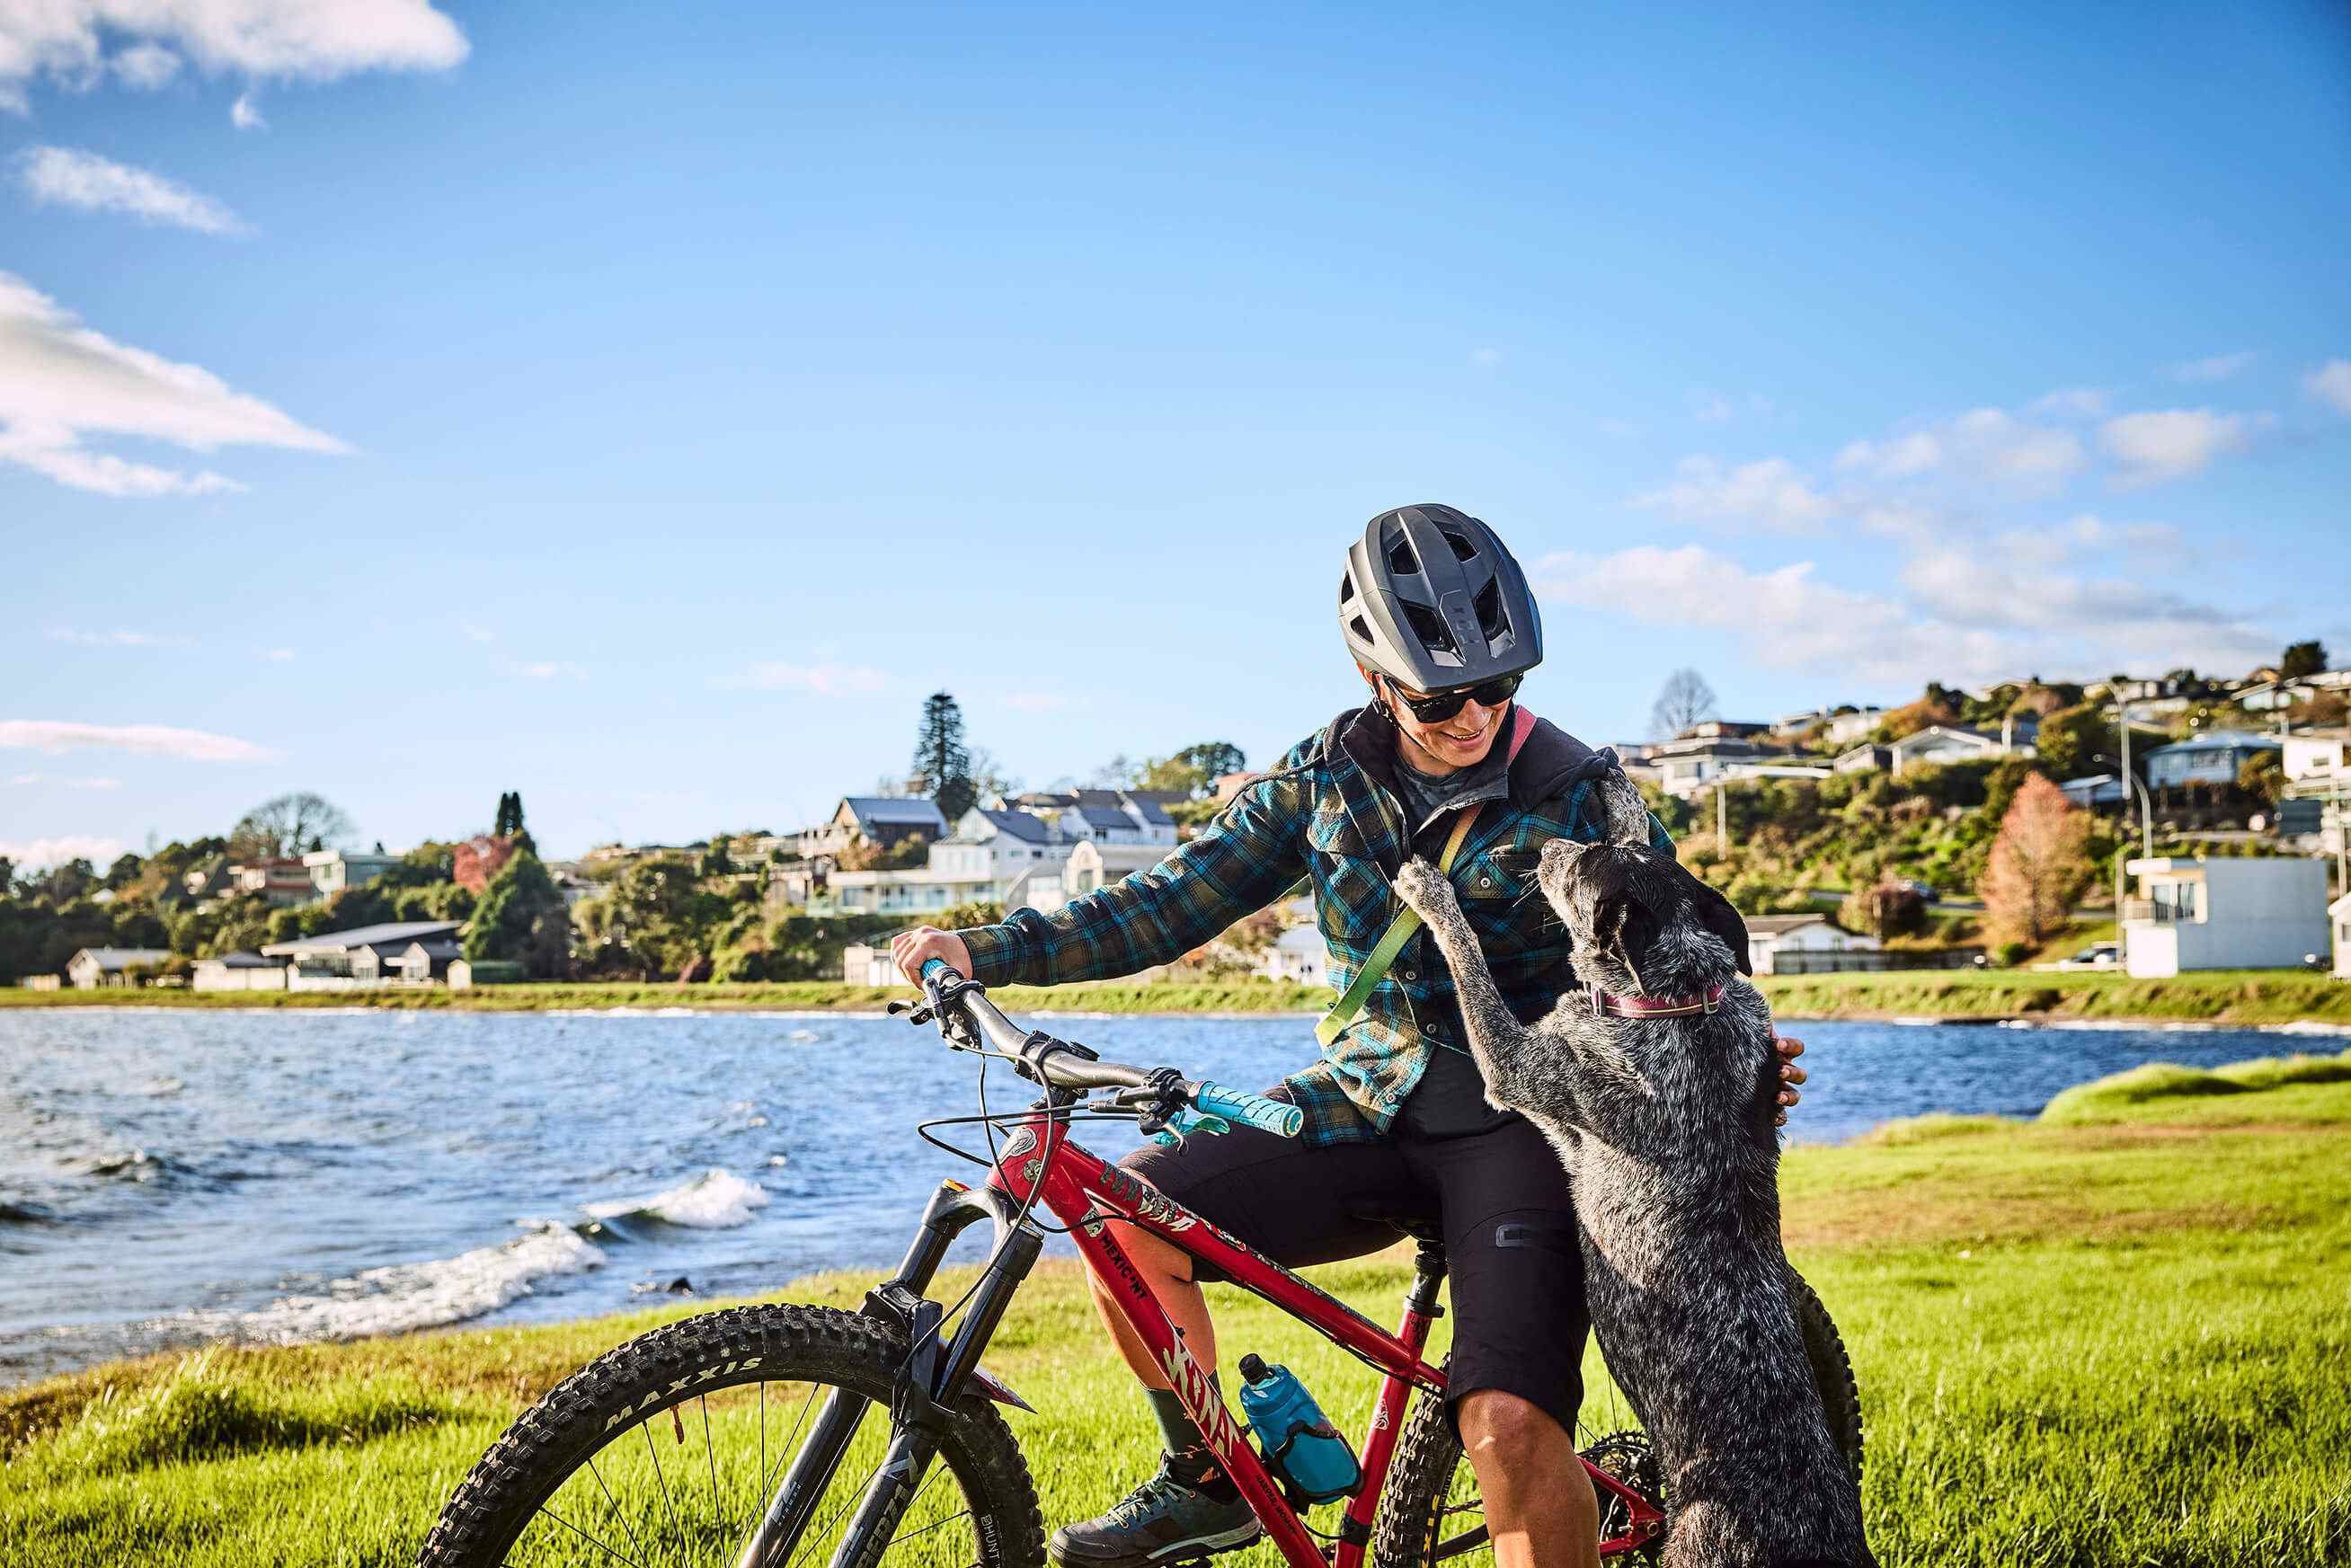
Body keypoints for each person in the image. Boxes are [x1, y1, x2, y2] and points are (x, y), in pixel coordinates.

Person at [893, 504, 1805, 1568]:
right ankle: (1207, 1480)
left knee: (1507, 1425)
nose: (1473, 716)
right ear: (1378, 679)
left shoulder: (1586, 796)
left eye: (1499, 687)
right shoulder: (1320, 781)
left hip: (1522, 1133)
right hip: (1359, 1102)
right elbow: (1170, 902)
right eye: (1439, 696)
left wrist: (1737, 1069)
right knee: (1125, 1217)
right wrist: (984, 945)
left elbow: (1681, 954)